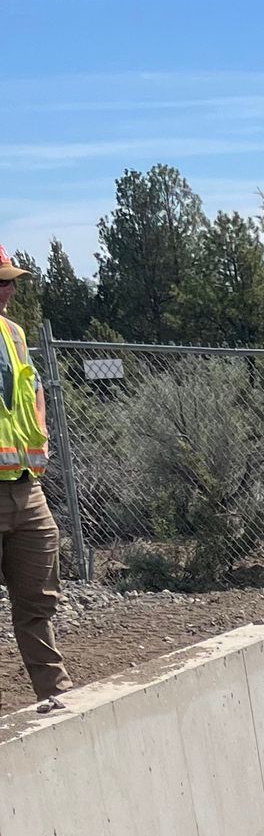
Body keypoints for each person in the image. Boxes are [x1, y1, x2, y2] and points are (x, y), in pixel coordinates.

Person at [0, 247, 71, 712]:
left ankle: (56, 693)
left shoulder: (15, 334)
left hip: (25, 487)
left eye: (9, 281)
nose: (6, 290)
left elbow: (35, 384)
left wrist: (41, 430)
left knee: (38, 602)